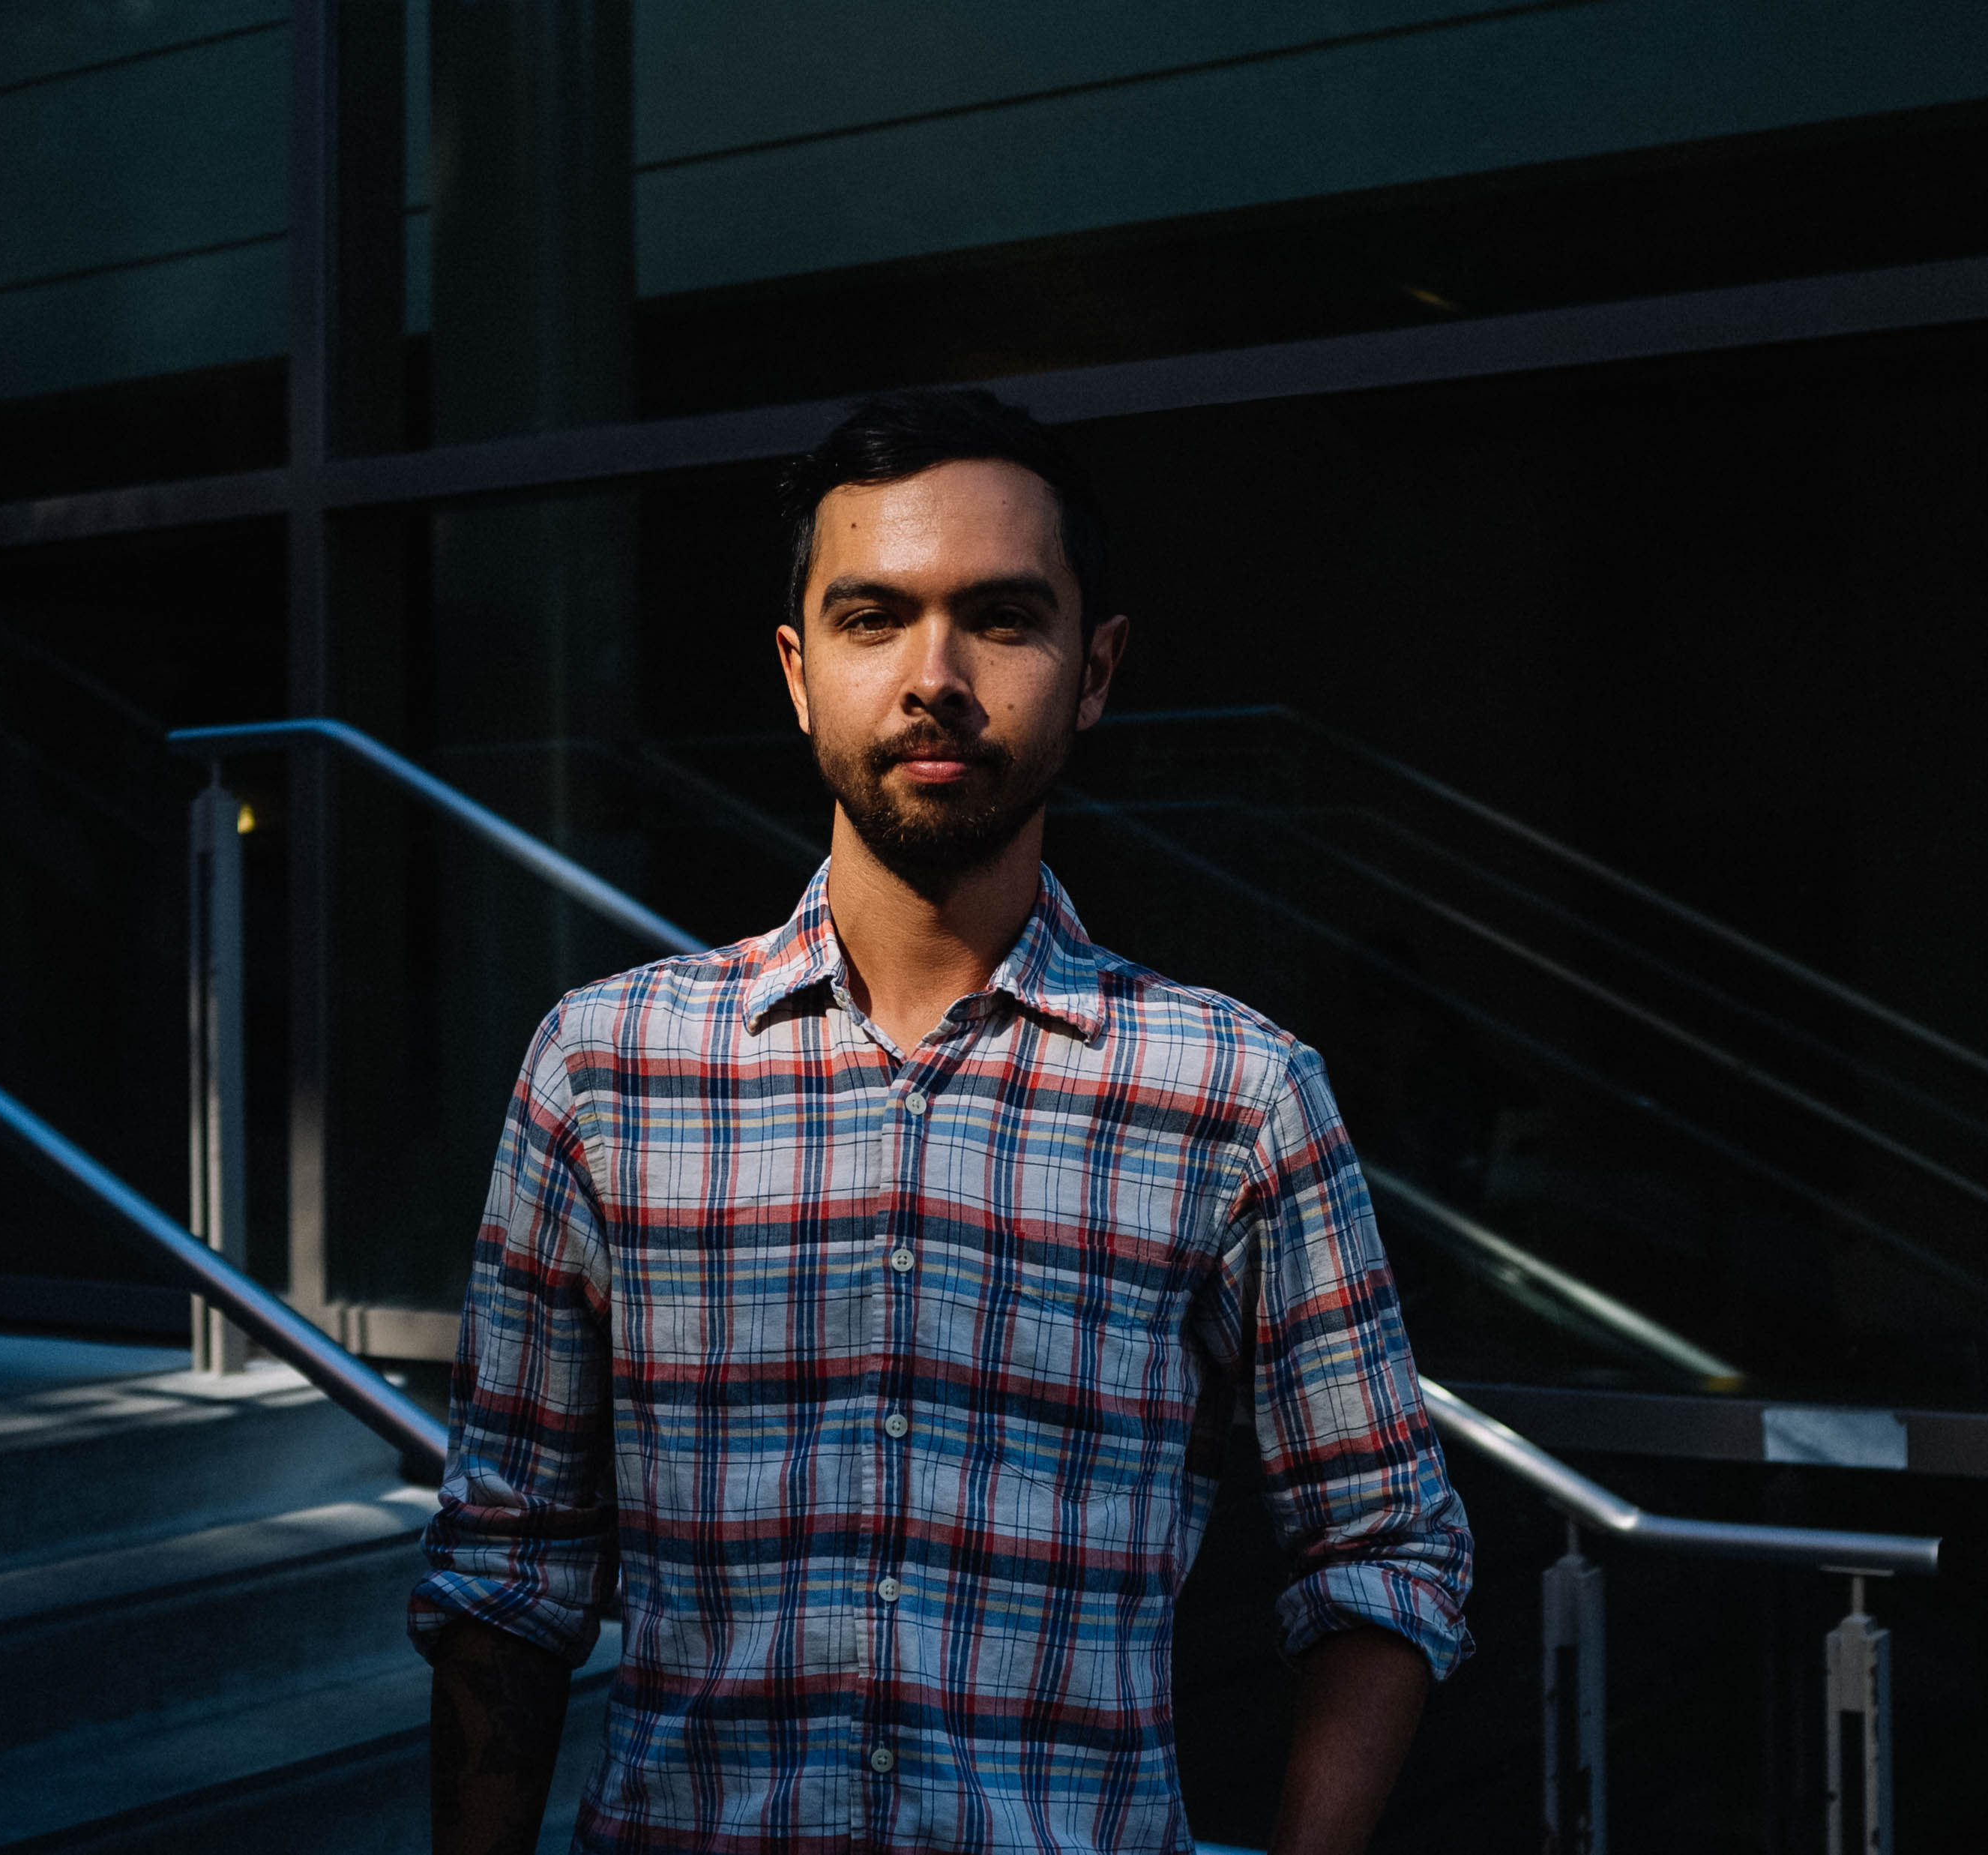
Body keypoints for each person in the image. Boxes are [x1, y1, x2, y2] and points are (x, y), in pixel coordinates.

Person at [411, 388, 1473, 1855]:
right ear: (796, 670)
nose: (936, 675)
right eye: (872, 617)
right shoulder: (606, 1068)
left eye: (1002, 617)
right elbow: (505, 1565)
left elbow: (1386, 1547)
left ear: (1094, 671)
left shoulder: (1235, 1094)